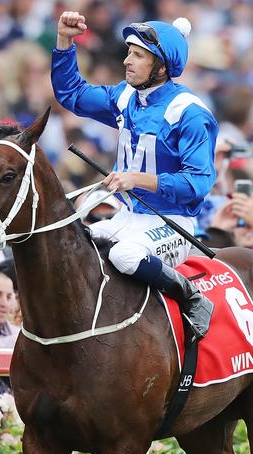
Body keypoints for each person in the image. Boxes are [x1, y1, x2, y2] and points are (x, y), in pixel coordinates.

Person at [52, 12, 218, 339]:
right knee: (73, 248)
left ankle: (192, 297)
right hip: (130, 216)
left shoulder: (190, 113)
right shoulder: (126, 96)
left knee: (123, 255)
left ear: (161, 66)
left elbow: (198, 185)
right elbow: (71, 94)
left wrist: (136, 179)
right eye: (129, 52)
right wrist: (64, 41)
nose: (127, 61)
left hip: (172, 224)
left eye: (138, 55)